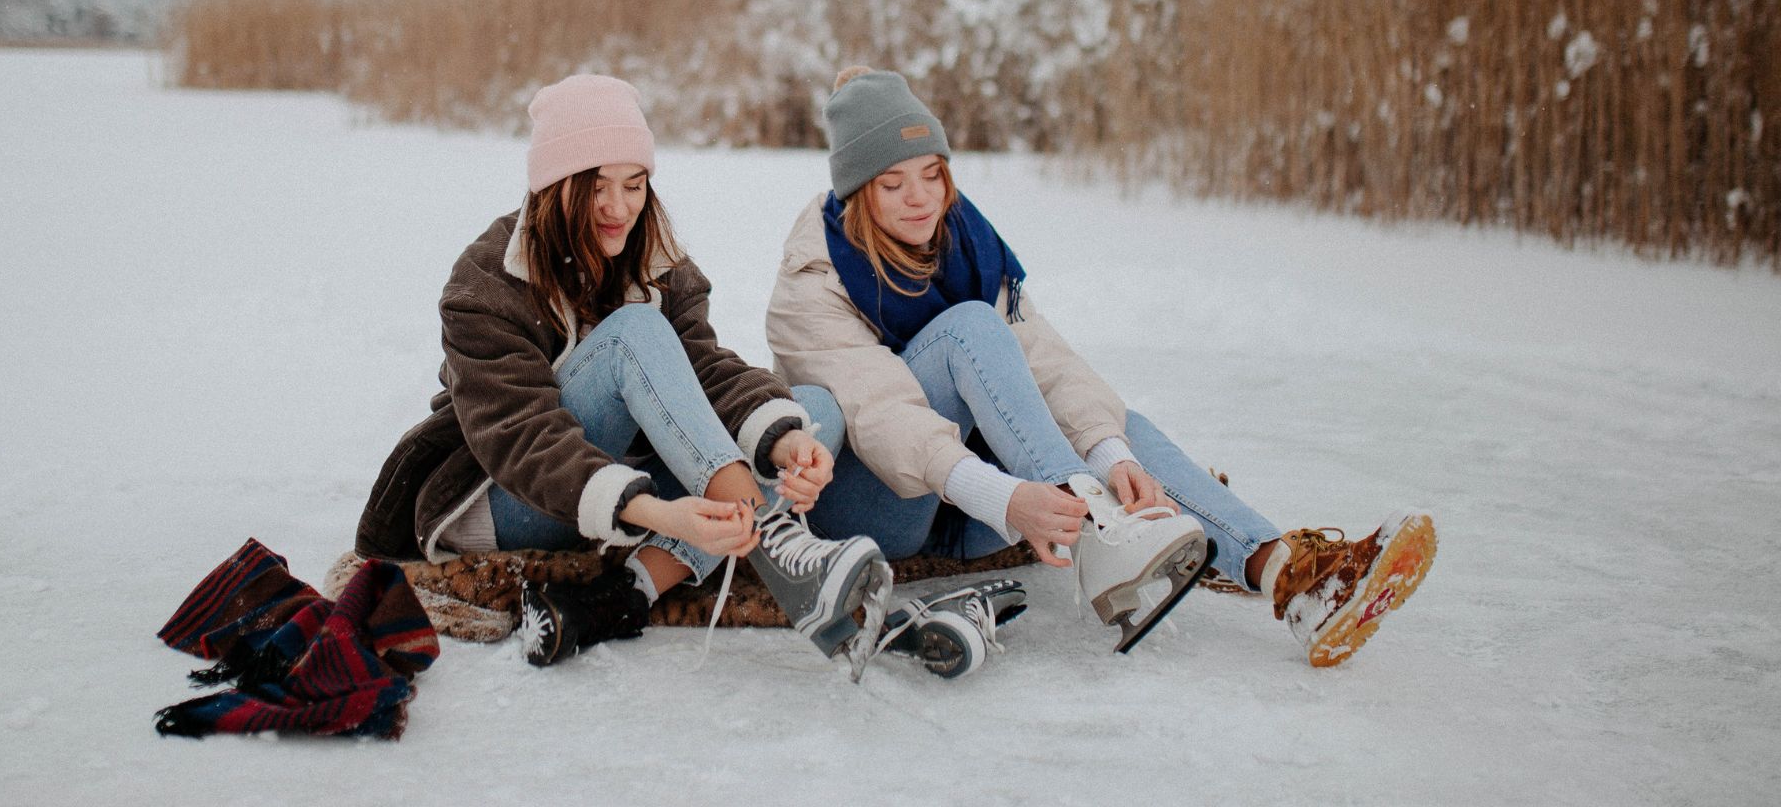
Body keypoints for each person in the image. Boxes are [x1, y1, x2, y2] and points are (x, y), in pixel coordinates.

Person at [766, 67, 1437, 667]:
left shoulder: (964, 241)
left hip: (976, 513)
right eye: (893, 182)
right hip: (883, 505)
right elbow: (886, 418)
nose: (921, 198)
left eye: (932, 174)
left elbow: (1045, 363)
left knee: (1116, 429)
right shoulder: (814, 276)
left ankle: (1286, 576)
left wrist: (1111, 454)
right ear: (857, 191)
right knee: (970, 327)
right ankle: (1098, 533)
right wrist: (1013, 496)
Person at [355, 74, 889, 668]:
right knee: (635, 333)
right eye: (594, 188)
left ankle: (619, 595)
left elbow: (705, 370)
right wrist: (660, 513)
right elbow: (523, 441)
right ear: (552, 186)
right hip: (508, 496)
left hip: (617, 483)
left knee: (811, 414)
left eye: (634, 185)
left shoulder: (656, 257)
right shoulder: (484, 281)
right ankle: (780, 542)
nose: (618, 208)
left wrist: (785, 442)